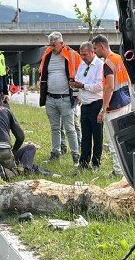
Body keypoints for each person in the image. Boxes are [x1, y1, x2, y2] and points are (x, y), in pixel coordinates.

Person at [38, 31, 82, 164]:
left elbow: (79, 76)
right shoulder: (47, 55)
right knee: (55, 128)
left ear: (62, 44)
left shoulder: (72, 55)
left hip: (65, 99)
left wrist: (76, 95)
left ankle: (76, 156)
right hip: (51, 98)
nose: (52, 48)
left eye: (54, 45)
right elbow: (43, 75)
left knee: (70, 128)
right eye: (50, 45)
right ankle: (55, 153)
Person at [93, 34, 132, 176]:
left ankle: (118, 171)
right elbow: (128, 80)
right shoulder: (118, 58)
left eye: (95, 48)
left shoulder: (108, 63)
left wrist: (103, 109)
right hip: (125, 102)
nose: (95, 52)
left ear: (102, 46)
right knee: (125, 137)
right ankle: (127, 168)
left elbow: (109, 87)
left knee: (114, 140)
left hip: (114, 106)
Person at [69, 41, 104, 170]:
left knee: (97, 136)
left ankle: (96, 163)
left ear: (92, 52)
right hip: (85, 104)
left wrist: (83, 86)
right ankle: (84, 162)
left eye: (85, 54)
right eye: (81, 54)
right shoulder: (82, 65)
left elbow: (100, 86)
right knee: (85, 135)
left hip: (96, 103)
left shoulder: (100, 65)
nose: (83, 57)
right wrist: (76, 89)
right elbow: (78, 79)